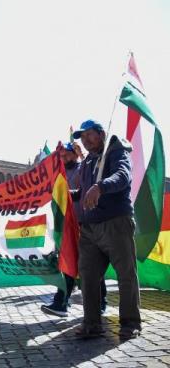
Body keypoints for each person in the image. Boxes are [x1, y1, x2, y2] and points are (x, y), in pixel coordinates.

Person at [70, 120, 141, 341]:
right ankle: (91, 323)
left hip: (115, 222)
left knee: (126, 275)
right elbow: (84, 192)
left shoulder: (116, 151)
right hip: (89, 228)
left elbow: (123, 176)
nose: (85, 140)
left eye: (89, 135)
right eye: (82, 138)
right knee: (88, 276)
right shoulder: (88, 161)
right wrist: (69, 193)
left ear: (101, 134)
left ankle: (130, 323)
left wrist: (101, 187)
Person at [41, 142, 107, 317]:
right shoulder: (60, 173)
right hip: (67, 226)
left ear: (76, 154)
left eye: (66, 155)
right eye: (61, 156)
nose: (63, 158)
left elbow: (89, 181)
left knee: (93, 265)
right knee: (69, 263)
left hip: (85, 224)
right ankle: (61, 303)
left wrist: (83, 157)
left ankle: (100, 302)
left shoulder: (83, 168)